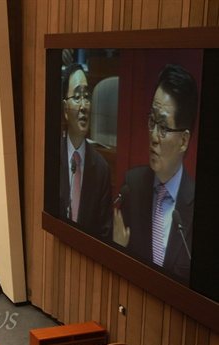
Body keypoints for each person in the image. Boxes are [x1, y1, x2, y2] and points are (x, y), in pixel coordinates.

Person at [113, 64, 197, 283]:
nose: (153, 135)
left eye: (164, 127)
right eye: (152, 121)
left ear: (184, 141)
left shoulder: (199, 207)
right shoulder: (132, 186)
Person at [59, 63, 112, 242]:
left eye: (87, 96)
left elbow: (105, 235)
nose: (83, 106)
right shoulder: (49, 158)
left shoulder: (101, 170)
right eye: (77, 96)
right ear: (65, 109)